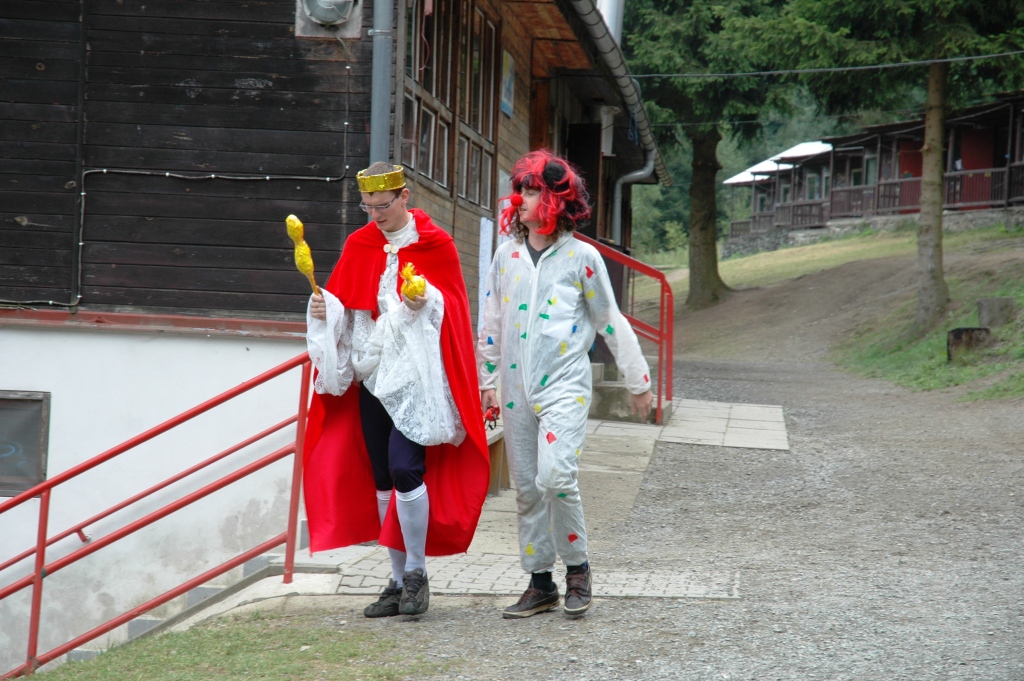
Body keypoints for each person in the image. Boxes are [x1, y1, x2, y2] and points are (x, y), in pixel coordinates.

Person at [302, 162, 490, 618]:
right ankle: (396, 579)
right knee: (383, 476)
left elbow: (453, 306)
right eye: (367, 207)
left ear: (404, 196)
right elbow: (346, 305)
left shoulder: (436, 244)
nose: (375, 216)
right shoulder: (359, 243)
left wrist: (427, 300)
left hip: (416, 379)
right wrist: (325, 309)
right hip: (371, 377)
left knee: (406, 469)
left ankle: (417, 573)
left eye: (382, 206)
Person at [478, 150, 653, 619]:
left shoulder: (582, 258)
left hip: (564, 387)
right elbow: (491, 319)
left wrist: (638, 381)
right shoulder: (507, 255)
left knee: (555, 477)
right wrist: (487, 379)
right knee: (527, 490)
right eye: (521, 190)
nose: (521, 200)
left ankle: (578, 569)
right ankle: (540, 583)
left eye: (532, 191)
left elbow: (610, 320)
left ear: (556, 200)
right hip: (514, 389)